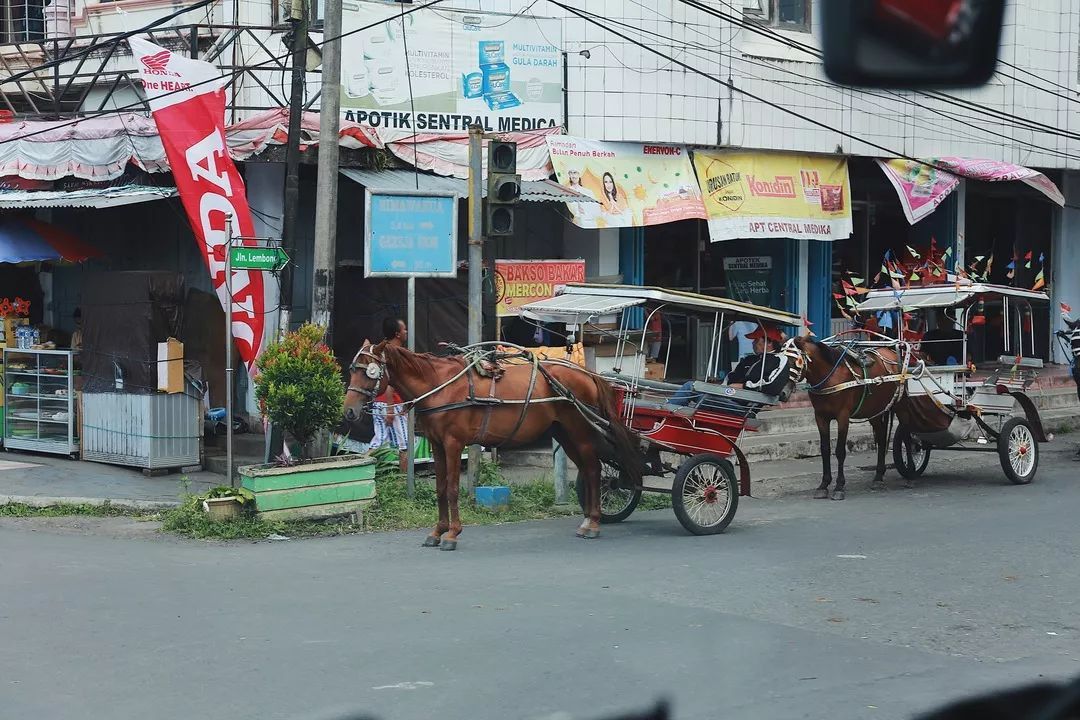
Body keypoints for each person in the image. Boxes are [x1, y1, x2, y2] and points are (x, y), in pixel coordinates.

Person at [369, 317, 409, 472]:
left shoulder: (383, 350)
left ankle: (364, 472)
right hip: (391, 404)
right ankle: (404, 480)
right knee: (405, 444)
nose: (406, 332)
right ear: (397, 334)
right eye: (404, 329)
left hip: (379, 403)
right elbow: (389, 382)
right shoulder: (395, 353)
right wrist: (391, 408)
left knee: (378, 441)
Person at [726, 324, 789, 395]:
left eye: (756, 340)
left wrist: (744, 386)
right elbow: (731, 377)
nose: (753, 343)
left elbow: (772, 385)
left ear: (769, 343)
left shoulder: (779, 360)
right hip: (732, 395)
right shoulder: (749, 359)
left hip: (754, 400)